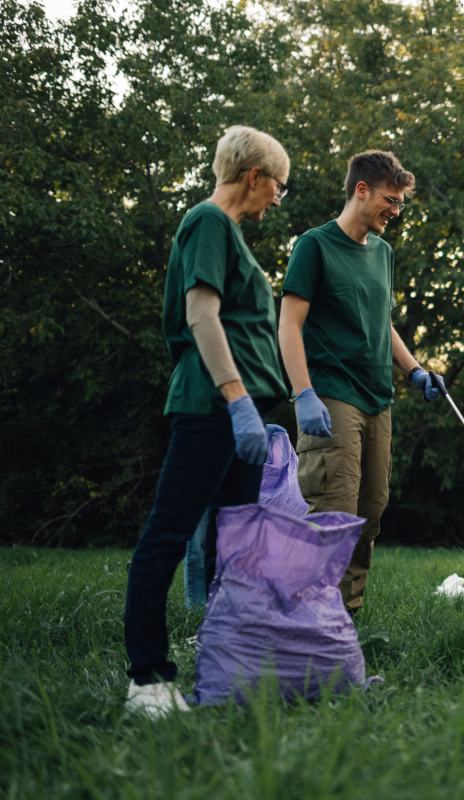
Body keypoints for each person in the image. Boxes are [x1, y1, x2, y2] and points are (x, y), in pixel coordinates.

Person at [124, 126, 290, 716]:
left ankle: (226, 662)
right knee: (168, 535)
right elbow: (201, 313)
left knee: (236, 546)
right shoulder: (208, 221)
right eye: (279, 187)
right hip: (212, 407)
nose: (277, 198)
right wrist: (237, 400)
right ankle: (146, 680)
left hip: (241, 412)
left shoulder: (231, 233)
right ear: (254, 176)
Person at [279, 150, 443, 613]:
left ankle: (344, 620)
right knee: (334, 512)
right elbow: (289, 324)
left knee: (371, 512)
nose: (396, 211)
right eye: (390, 200)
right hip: (332, 394)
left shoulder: (384, 253)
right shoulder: (315, 245)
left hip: (378, 397)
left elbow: (382, 322)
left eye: (401, 204)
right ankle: (309, 618)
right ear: (361, 190)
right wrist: (303, 392)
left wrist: (414, 370)